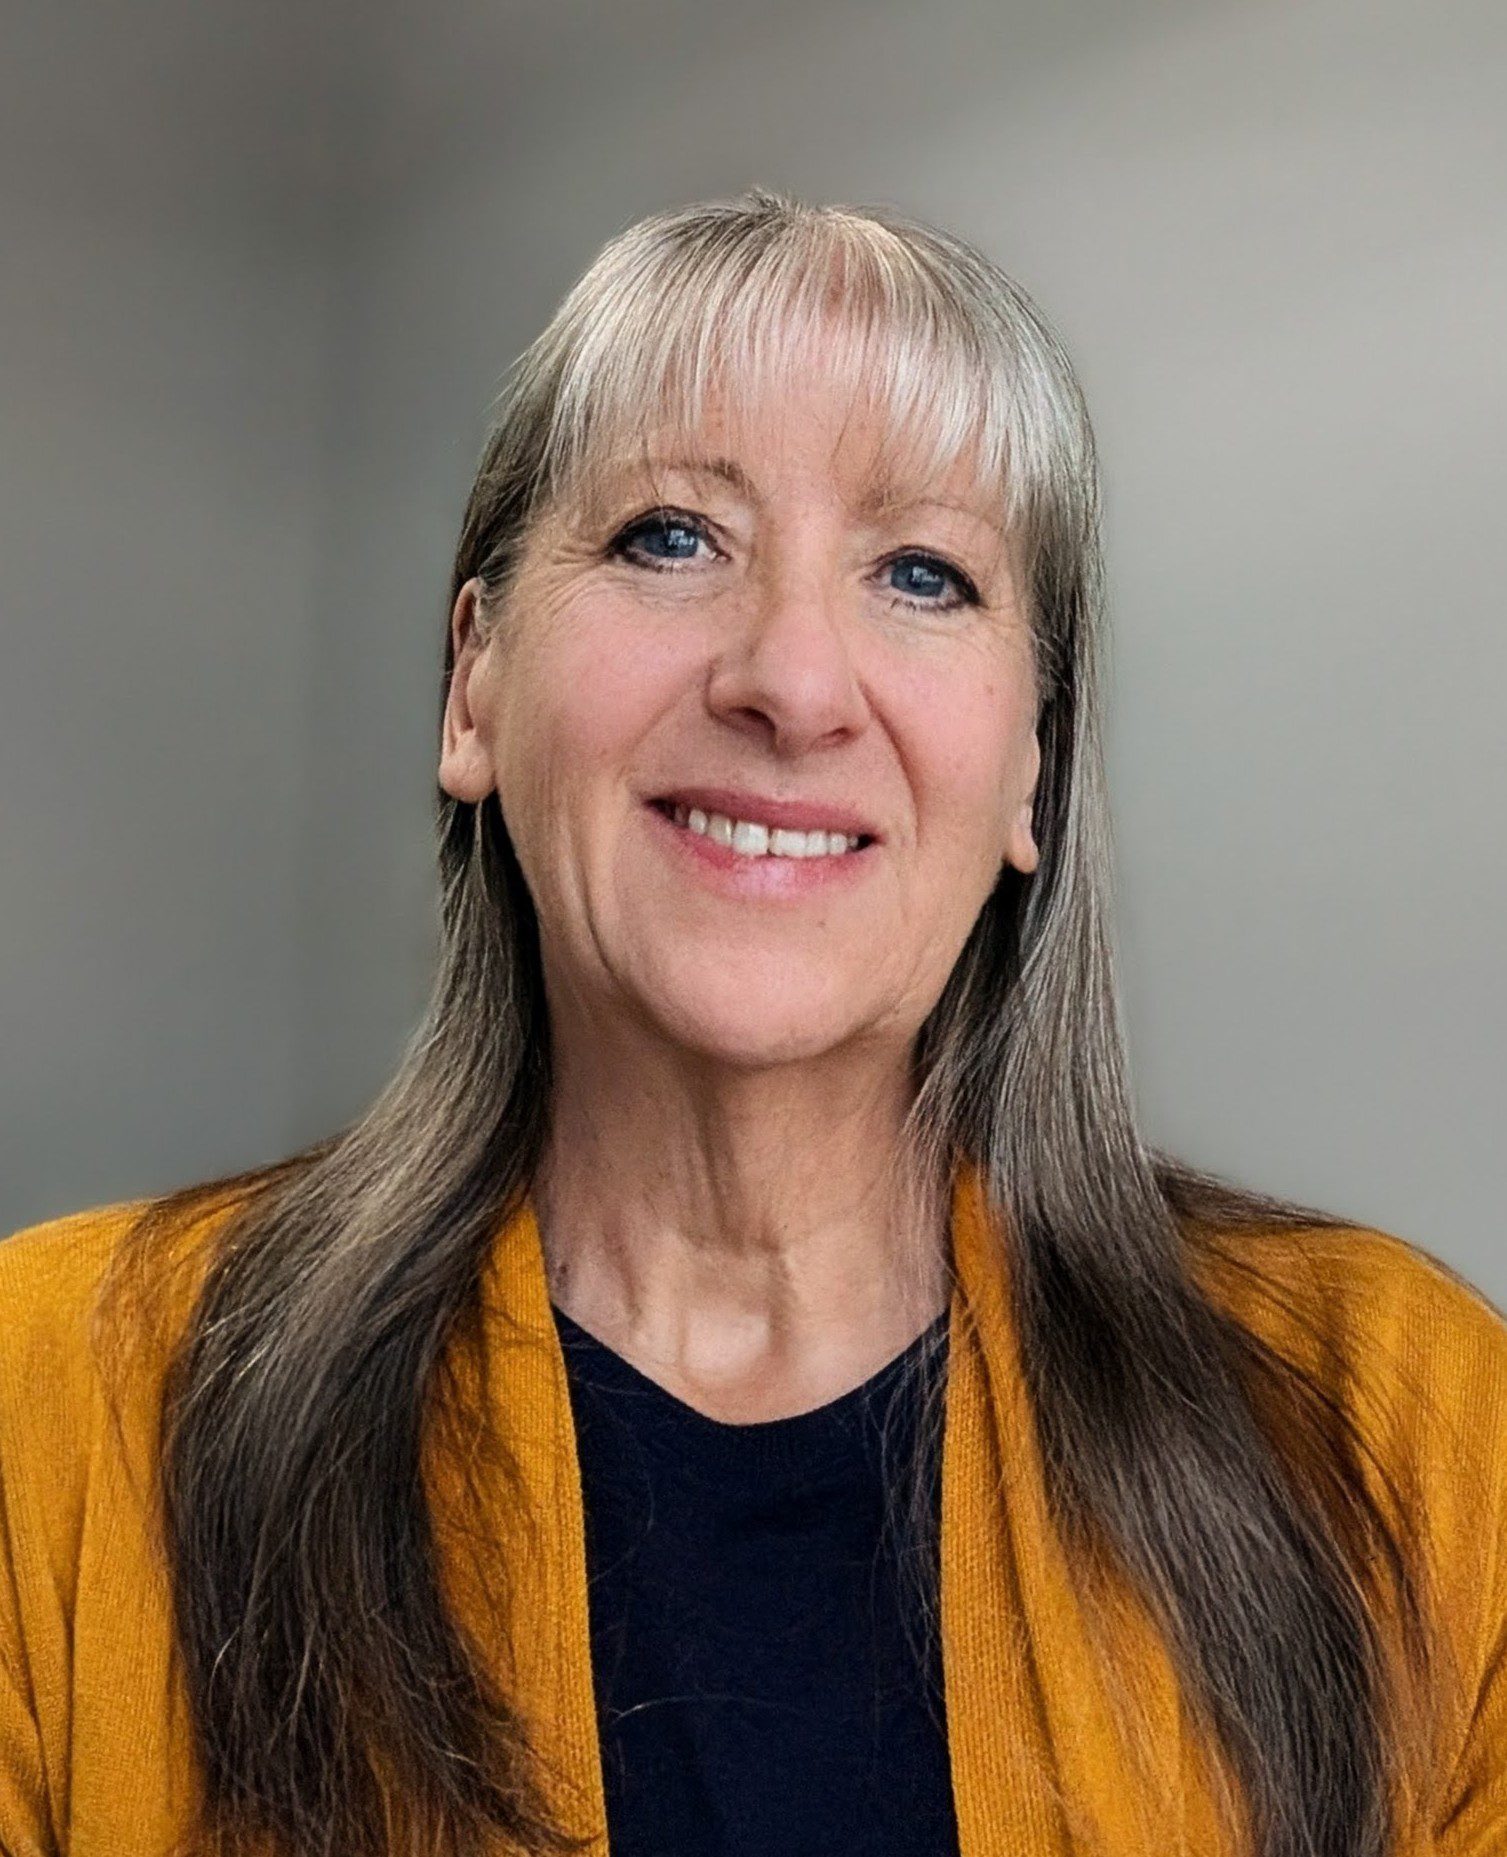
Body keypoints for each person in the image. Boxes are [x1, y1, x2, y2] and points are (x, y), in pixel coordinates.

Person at [1, 187, 1504, 1857]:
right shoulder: (46, 1408)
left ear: (1034, 770)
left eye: (923, 573)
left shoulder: (1411, 1439)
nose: (793, 678)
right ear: (473, 686)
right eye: (670, 536)